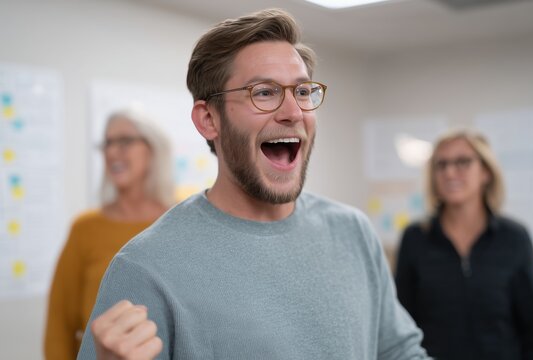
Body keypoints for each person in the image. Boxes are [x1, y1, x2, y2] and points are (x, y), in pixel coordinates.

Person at [77, 8, 430, 360]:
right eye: (264, 93)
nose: (293, 111)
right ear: (209, 119)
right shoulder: (144, 268)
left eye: (303, 91)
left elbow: (400, 352)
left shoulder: (353, 233)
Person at [395, 129, 533, 359]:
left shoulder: (515, 238)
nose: (450, 172)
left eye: (463, 162)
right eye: (441, 165)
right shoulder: (415, 239)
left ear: (486, 172)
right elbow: (400, 328)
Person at [44, 109, 176, 360]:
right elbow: (59, 327)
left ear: (153, 149)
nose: (112, 151)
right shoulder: (85, 229)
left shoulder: (181, 220)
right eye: (107, 143)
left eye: (125, 141)